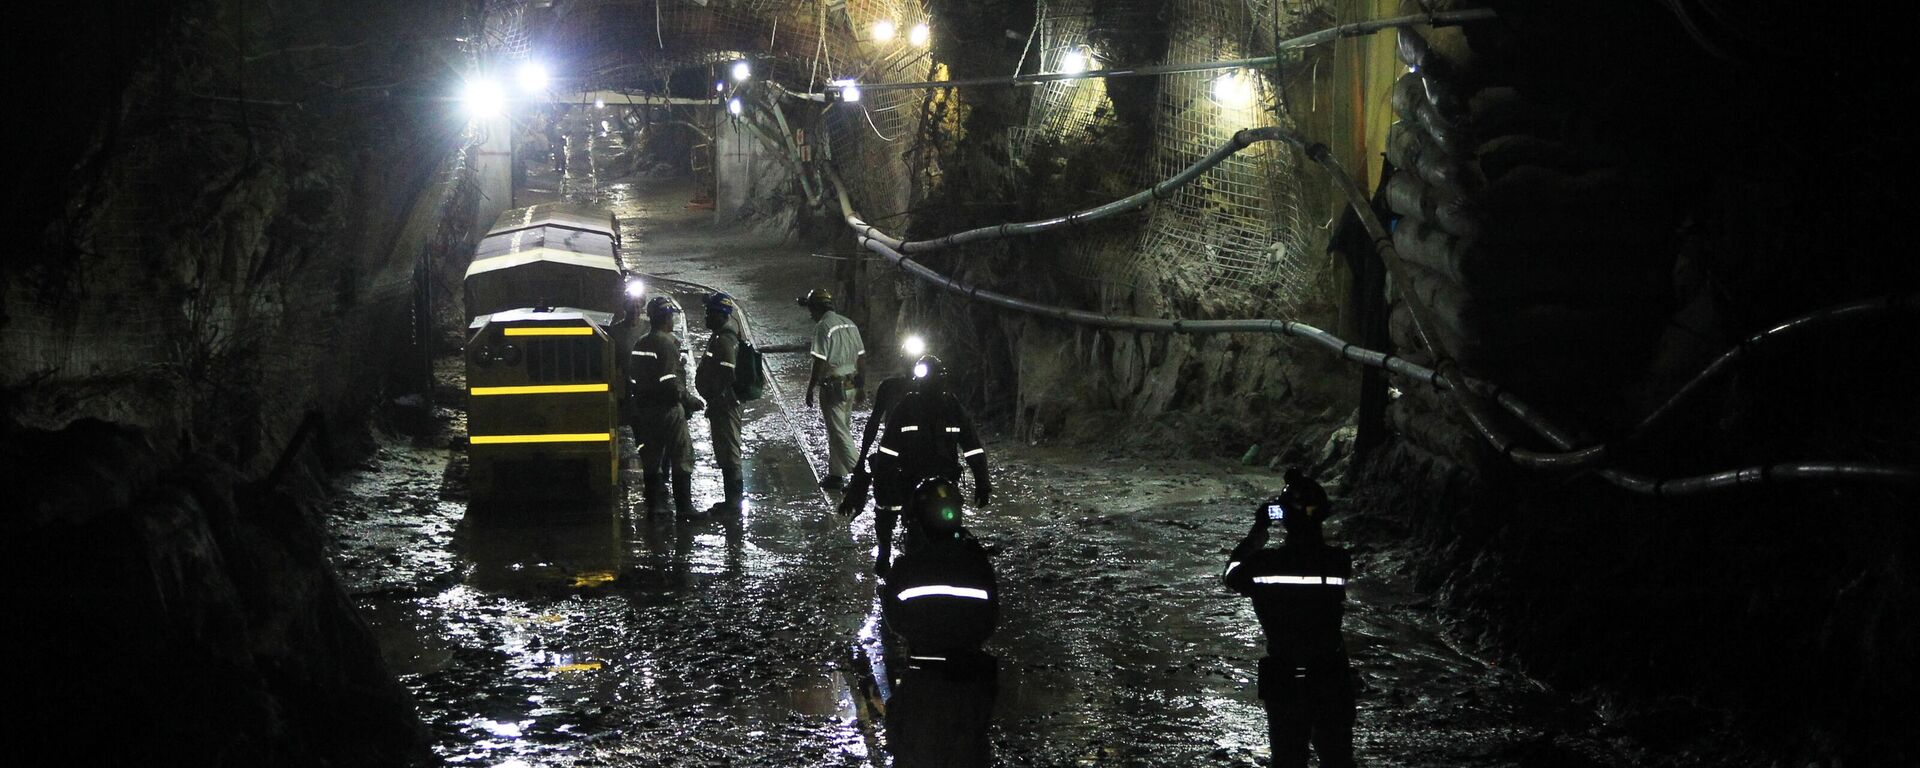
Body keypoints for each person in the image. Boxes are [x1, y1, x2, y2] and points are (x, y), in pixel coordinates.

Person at [1223, 468, 1357, 768]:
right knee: (1338, 758)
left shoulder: (1262, 564)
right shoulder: (1339, 561)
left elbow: (1230, 576)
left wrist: (1258, 532)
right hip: (1330, 674)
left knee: (1288, 759)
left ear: (1282, 518)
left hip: (1284, 676)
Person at [841, 354, 990, 575]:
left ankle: (952, 554)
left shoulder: (952, 407)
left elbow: (973, 447)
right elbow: (888, 449)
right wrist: (880, 475)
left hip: (945, 479)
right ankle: (884, 551)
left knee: (954, 521)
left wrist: (982, 480)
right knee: (886, 506)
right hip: (911, 478)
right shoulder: (907, 406)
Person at [628, 296, 702, 517]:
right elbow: (670, 381)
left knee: (651, 458)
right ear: (666, 318)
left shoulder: (640, 343)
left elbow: (633, 378)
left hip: (645, 409)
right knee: (681, 455)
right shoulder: (666, 344)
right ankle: (684, 508)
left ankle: (655, 506)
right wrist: (689, 400)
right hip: (668, 410)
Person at [798, 288, 866, 490]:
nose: (810, 314)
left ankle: (858, 474)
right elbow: (861, 356)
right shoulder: (849, 323)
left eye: (811, 309)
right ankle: (836, 474)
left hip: (833, 385)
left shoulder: (822, 327)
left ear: (817, 308)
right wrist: (862, 384)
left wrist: (810, 388)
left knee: (838, 431)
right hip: (851, 383)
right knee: (839, 428)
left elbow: (819, 361)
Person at [695, 291, 748, 515]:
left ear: (720, 314)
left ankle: (734, 503)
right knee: (725, 450)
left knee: (729, 451)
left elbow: (729, 375)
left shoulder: (725, 339)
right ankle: (731, 500)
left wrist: (717, 399)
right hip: (721, 403)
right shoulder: (720, 335)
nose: (706, 316)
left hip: (725, 405)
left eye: (710, 312)